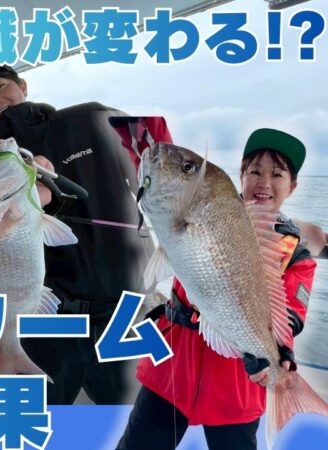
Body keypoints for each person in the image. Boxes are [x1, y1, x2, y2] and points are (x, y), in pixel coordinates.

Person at [0, 63, 161, 404]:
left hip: (125, 312)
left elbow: (156, 163)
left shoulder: (90, 118)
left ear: (23, 86)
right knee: (31, 422)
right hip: (46, 320)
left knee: (133, 420)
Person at [116, 128, 317, 450]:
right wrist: (141, 135)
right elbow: (160, 152)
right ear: (242, 176)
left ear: (291, 187)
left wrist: (281, 357)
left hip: (236, 388)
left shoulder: (297, 255)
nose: (264, 182)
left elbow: (291, 314)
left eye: (277, 175)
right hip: (171, 371)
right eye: (255, 172)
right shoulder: (206, 204)